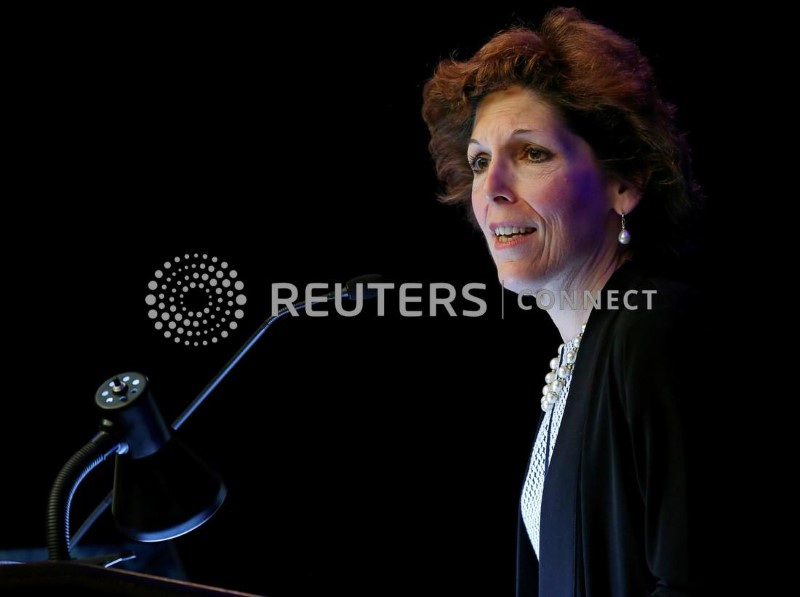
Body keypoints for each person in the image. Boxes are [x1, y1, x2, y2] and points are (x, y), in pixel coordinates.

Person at [422, 8, 723, 596]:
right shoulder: (582, 357)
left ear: (625, 182)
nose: (493, 188)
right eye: (481, 161)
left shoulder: (652, 328)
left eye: (532, 153)